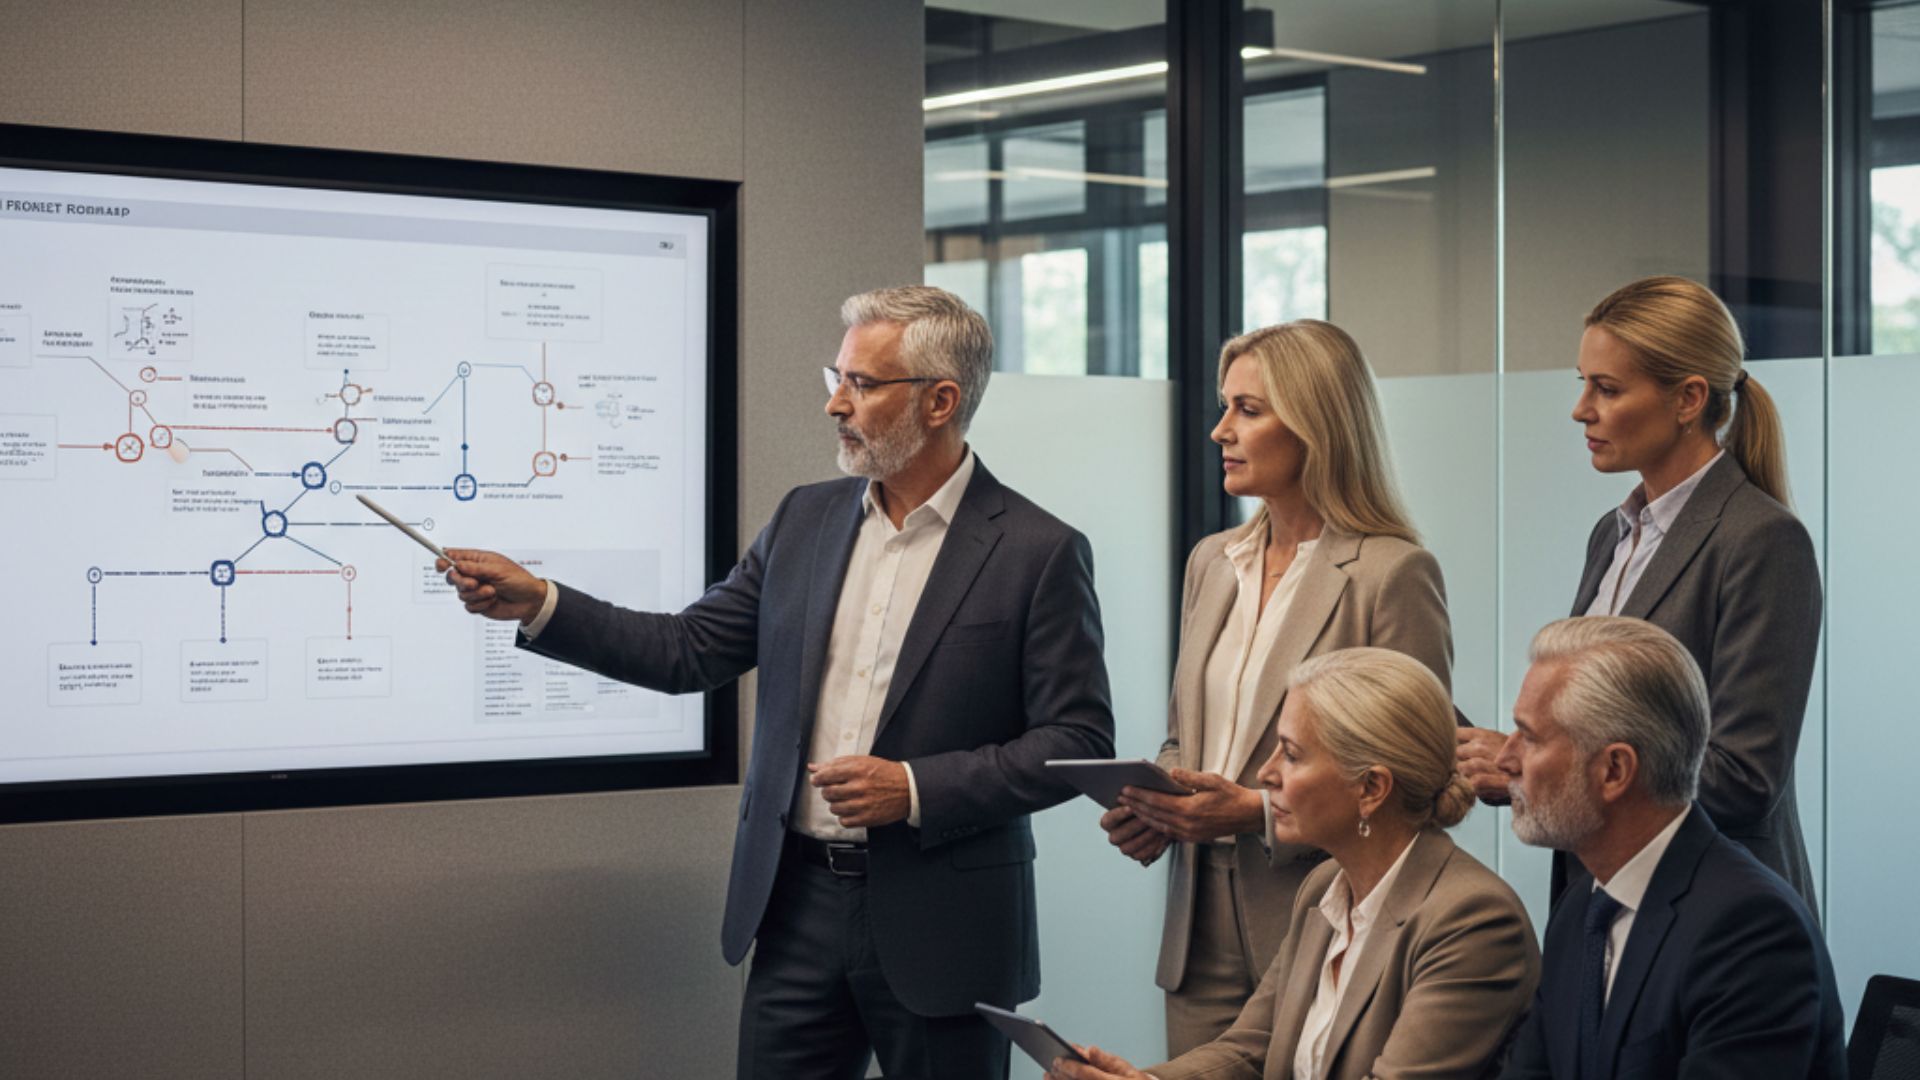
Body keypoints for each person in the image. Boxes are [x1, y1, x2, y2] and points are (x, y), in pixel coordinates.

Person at [438, 285, 1116, 1080]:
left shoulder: (1037, 550)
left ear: (940, 400)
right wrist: (543, 603)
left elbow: (1077, 743)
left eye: (862, 384)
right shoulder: (805, 520)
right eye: (837, 376)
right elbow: (689, 649)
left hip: (947, 926)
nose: (836, 403)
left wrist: (914, 787)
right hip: (795, 907)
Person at [1102, 320, 1454, 1054]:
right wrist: (1161, 797)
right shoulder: (1212, 561)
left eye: (1248, 410)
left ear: (1317, 424)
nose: (1219, 430)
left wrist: (1255, 811)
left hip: (1327, 914)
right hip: (1197, 925)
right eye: (1225, 406)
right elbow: (1187, 736)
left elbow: (1428, 785)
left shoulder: (1392, 573)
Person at [1456, 275, 1822, 912]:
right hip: (1602, 898)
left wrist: (1535, 771)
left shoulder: (1761, 540)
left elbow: (1744, 780)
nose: (1581, 409)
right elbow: (1596, 733)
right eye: (1584, 383)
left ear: (1688, 399)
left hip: (1712, 913)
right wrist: (1523, 761)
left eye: (1607, 388)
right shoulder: (1614, 534)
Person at [1050, 647, 1539, 1080]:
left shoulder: (1473, 920)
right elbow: (1250, 1052)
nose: (1265, 775)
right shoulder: (1325, 885)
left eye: (1290, 754)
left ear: (1371, 788)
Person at [1497, 616, 1845, 1078]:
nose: (1505, 759)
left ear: (1615, 771)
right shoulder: (1581, 908)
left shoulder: (1751, 930)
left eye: (1531, 737)